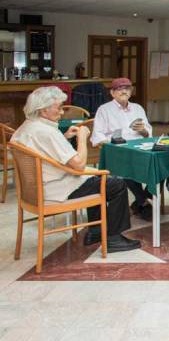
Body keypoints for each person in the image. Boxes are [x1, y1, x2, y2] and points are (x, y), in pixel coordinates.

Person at [11, 86, 141, 252]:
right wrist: (81, 139)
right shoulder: (47, 132)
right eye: (59, 108)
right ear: (43, 110)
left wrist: (64, 137)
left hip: (35, 190)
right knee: (116, 185)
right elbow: (79, 165)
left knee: (97, 181)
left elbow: (44, 151)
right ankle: (114, 238)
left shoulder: (26, 127)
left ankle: (95, 232)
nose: (62, 112)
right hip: (56, 190)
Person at [91, 77, 154, 220]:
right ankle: (143, 202)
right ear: (112, 93)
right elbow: (97, 136)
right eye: (119, 89)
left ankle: (142, 200)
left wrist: (143, 130)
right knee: (125, 167)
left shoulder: (138, 108)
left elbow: (148, 133)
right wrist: (113, 142)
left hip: (140, 149)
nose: (124, 91)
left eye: (127, 88)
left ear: (131, 91)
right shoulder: (104, 110)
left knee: (158, 164)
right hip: (118, 152)